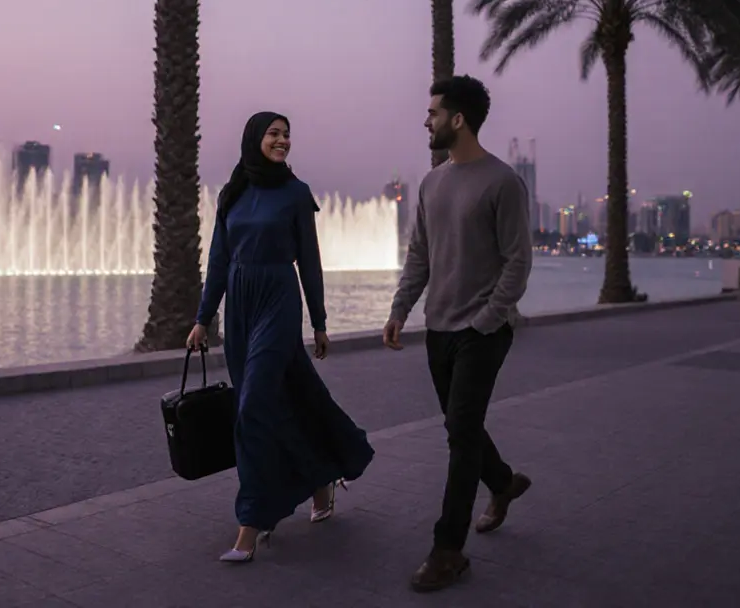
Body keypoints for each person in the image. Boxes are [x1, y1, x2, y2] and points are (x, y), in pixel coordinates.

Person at [189, 110, 375, 564]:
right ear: (254, 138)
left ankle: (251, 523)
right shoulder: (231, 194)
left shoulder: (295, 194)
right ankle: (319, 477)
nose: (282, 141)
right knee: (284, 401)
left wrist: (320, 321)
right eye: (274, 133)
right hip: (240, 307)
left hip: (278, 301)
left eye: (287, 135)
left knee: (252, 406)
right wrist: (202, 317)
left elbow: (309, 261)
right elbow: (217, 260)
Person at [383, 76, 534, 592]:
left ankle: (447, 550)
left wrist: (488, 319)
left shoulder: (503, 182)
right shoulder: (432, 183)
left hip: (482, 332)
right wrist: (401, 308)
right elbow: (420, 255)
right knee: (459, 426)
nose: (426, 120)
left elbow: (518, 261)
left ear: (458, 119)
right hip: (438, 327)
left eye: (432, 112)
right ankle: (503, 482)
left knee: (461, 432)